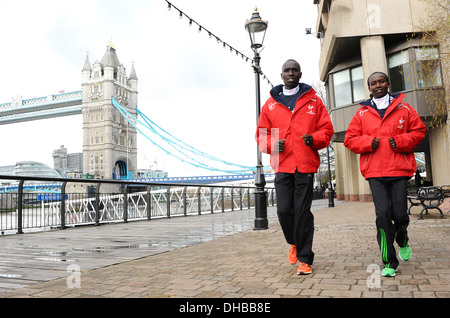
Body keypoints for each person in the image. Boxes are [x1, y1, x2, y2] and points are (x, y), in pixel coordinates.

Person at [344, 72, 426, 277]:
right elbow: (350, 139)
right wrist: (367, 142)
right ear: (369, 87)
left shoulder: (404, 108)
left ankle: (403, 238)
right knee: (382, 216)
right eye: (373, 83)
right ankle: (389, 260)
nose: (378, 85)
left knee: (399, 215)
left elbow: (419, 132)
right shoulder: (362, 113)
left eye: (381, 81)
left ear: (388, 84)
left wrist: (399, 141)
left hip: (399, 169)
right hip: (375, 172)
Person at [256, 59, 334, 275]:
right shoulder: (270, 105)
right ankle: (294, 241)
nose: (290, 73)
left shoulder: (314, 102)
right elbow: (261, 135)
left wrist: (314, 138)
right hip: (281, 164)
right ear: (281, 75)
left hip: (305, 163)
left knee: (302, 212)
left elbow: (327, 131)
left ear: (300, 74)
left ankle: (305, 259)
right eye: (287, 70)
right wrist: (272, 144)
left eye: (294, 70)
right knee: (283, 211)